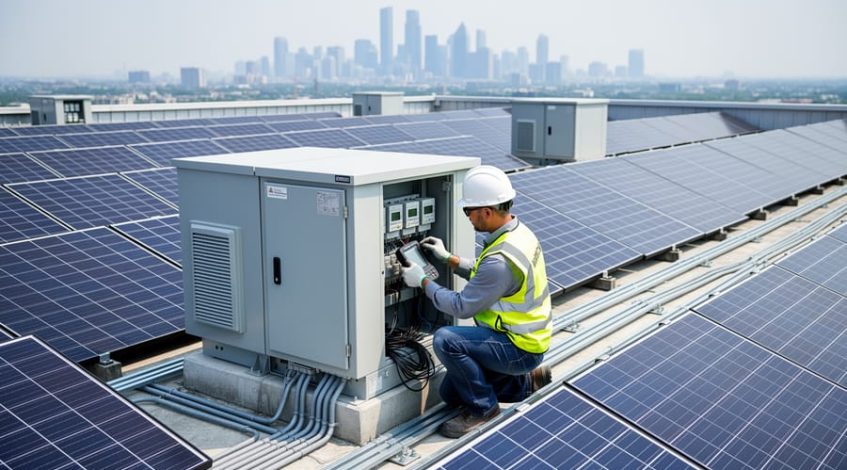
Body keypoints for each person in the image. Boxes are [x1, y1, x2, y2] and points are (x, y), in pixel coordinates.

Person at [400, 165, 553, 438]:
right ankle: (523, 383)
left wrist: (422, 281)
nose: (467, 217)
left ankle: (485, 409)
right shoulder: (517, 234)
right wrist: (449, 258)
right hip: (525, 339)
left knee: (446, 340)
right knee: (449, 393)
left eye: (467, 211)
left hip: (519, 346)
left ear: (486, 211)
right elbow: (487, 276)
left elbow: (462, 305)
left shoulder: (501, 260)